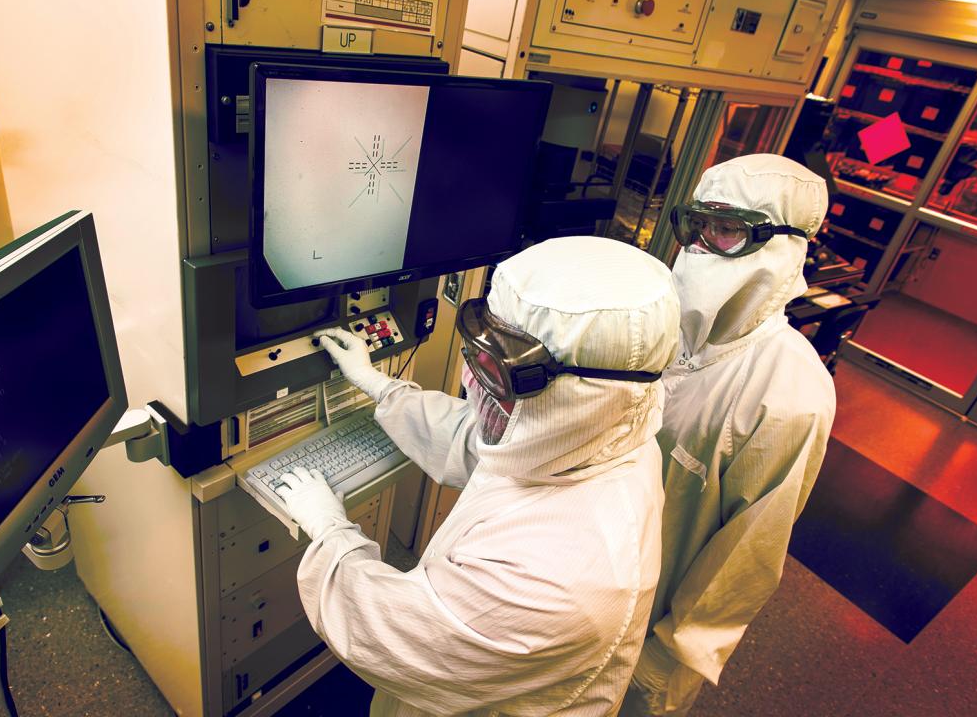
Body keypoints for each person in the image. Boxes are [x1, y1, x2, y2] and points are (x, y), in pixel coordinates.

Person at [274, 236, 681, 715]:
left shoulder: (556, 582)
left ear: (582, 398)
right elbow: (488, 444)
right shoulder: (605, 436)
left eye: (496, 372)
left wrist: (329, 530)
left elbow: (386, 631)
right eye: (478, 352)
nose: (469, 382)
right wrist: (381, 387)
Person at [624, 154, 837, 715]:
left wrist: (662, 662)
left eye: (725, 229)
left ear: (784, 245)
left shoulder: (791, 394)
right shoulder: (660, 327)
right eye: (695, 225)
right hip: (578, 587)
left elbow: (747, 553)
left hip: (645, 638)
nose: (697, 247)